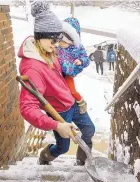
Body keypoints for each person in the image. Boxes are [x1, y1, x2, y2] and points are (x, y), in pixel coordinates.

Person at [18, 0, 95, 166]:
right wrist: (57, 125)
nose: (56, 48)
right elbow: (27, 108)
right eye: (53, 42)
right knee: (63, 147)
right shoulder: (33, 69)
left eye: (58, 42)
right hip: (58, 112)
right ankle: (44, 157)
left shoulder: (48, 49)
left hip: (72, 103)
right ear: (40, 36)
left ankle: (83, 164)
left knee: (89, 130)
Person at [57, 17, 90, 115]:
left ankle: (81, 102)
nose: (61, 44)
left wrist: (81, 61)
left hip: (68, 74)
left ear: (72, 39)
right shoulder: (57, 47)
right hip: (58, 73)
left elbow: (86, 59)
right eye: (60, 41)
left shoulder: (78, 48)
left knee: (72, 91)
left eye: (64, 42)